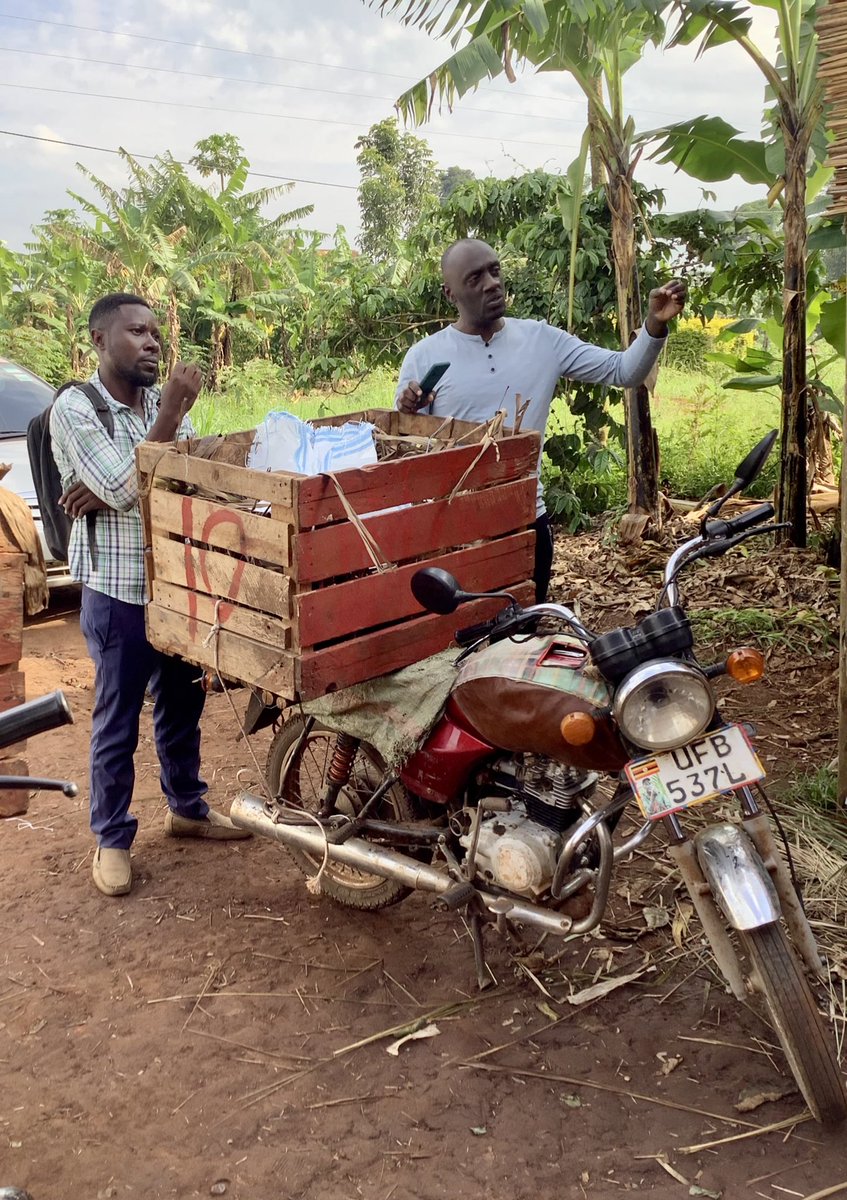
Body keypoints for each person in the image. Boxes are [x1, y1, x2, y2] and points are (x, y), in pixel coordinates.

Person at [50, 293, 250, 899]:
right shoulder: (76, 408)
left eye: (156, 333)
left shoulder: (158, 414)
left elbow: (182, 477)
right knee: (117, 719)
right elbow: (118, 484)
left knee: (183, 703)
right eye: (136, 331)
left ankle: (185, 808)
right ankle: (111, 840)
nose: (152, 342)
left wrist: (139, 467)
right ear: (100, 341)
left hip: (175, 585)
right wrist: (165, 421)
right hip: (119, 594)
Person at [396, 239, 686, 601]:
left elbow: (623, 370)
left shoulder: (540, 340)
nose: (491, 283)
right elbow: (404, 447)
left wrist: (654, 326)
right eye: (474, 278)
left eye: (495, 270)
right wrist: (408, 410)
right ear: (450, 293)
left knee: (523, 639)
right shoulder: (425, 356)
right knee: (461, 644)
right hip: (454, 533)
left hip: (527, 522)